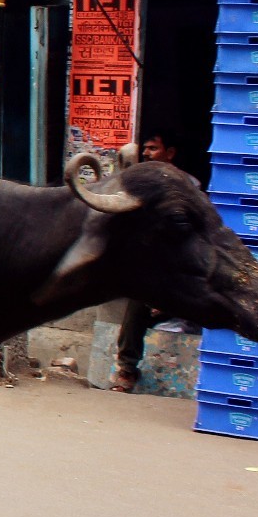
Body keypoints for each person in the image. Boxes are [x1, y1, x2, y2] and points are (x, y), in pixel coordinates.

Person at [111, 132, 182, 393]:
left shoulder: (189, 189)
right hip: (157, 276)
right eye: (145, 150)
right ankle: (127, 370)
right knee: (137, 303)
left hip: (182, 274)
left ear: (170, 153)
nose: (147, 154)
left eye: (153, 148)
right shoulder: (142, 190)